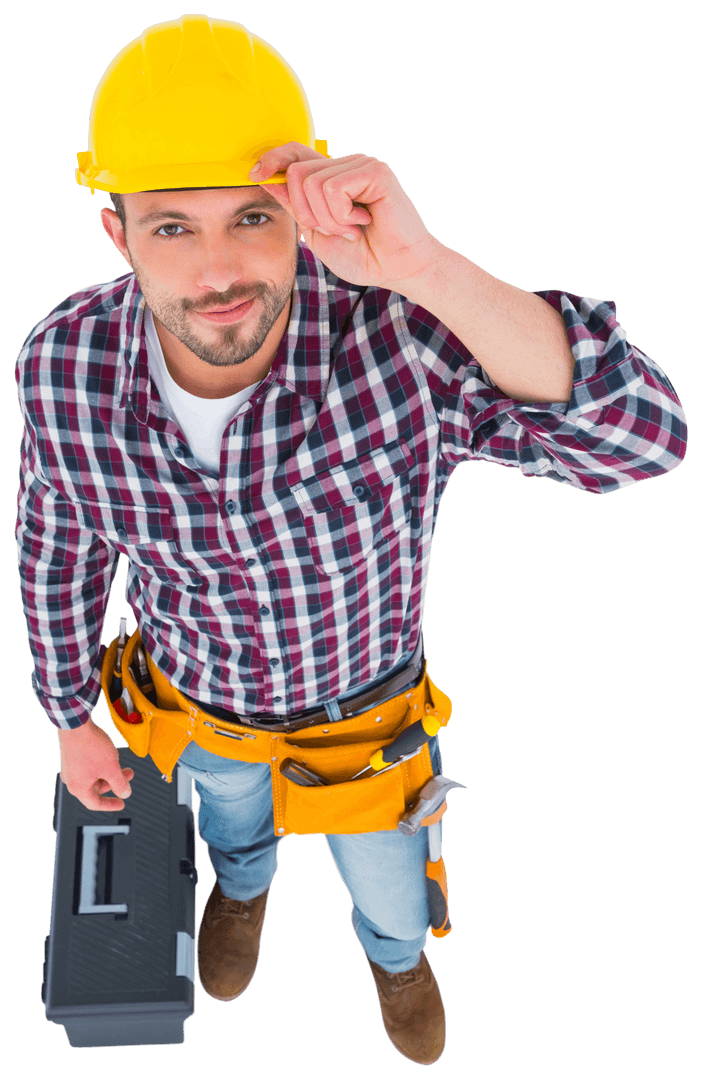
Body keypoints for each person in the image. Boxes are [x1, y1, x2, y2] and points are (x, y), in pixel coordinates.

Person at [15, 14, 687, 1066]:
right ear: (119, 235)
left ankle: (399, 962)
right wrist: (69, 717)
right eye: (172, 227)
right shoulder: (61, 365)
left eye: (251, 216)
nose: (220, 270)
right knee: (232, 839)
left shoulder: (396, 335)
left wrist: (424, 269)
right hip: (206, 717)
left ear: (298, 207)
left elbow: (641, 444)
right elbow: (59, 550)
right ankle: (242, 902)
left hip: (364, 728)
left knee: (389, 882)